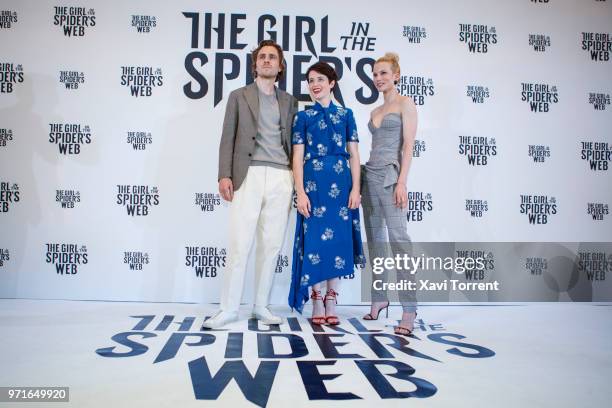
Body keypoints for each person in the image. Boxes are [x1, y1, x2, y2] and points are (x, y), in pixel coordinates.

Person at [202, 40, 298, 329]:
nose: (267, 61)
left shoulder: (290, 101)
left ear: (280, 66)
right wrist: (224, 174)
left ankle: (260, 306)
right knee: (239, 244)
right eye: (262, 57)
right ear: (255, 64)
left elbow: (295, 143)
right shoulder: (238, 96)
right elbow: (226, 137)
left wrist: (296, 181)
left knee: (271, 246)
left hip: (282, 176)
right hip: (248, 174)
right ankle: (229, 309)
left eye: (273, 57)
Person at [289, 62, 365, 325]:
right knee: (315, 243)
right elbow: (297, 158)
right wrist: (300, 192)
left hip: (341, 185)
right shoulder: (303, 117)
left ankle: (332, 297)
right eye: (310, 80)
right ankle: (316, 297)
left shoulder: (346, 115)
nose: (314, 84)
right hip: (313, 185)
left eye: (320, 79)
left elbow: (354, 155)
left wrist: (356, 189)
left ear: (332, 83)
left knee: (337, 243)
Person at [361, 53, 418, 335]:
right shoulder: (373, 112)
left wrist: (402, 182)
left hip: (390, 177)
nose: (378, 78)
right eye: (375, 74)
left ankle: (409, 309)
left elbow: (408, 146)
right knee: (376, 243)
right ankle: (379, 298)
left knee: (399, 241)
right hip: (368, 177)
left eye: (383, 73)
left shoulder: (406, 103)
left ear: (396, 75)